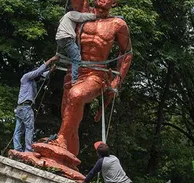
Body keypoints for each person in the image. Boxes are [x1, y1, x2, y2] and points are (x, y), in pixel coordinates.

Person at [51, 0, 133, 156]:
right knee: (69, 122)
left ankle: (60, 138)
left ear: (114, 3)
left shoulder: (118, 24)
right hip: (74, 72)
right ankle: (68, 159)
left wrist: (117, 81)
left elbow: (127, 53)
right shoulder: (83, 11)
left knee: (77, 95)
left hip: (96, 74)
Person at [13, 55, 58, 152]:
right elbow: (38, 72)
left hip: (21, 108)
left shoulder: (32, 81)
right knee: (29, 128)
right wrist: (50, 60)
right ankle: (28, 149)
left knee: (18, 130)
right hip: (26, 107)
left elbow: (42, 76)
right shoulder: (26, 77)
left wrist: (50, 71)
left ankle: (17, 148)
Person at [56, 11, 99, 84]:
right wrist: (95, 16)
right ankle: (74, 80)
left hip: (61, 39)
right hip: (66, 38)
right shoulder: (71, 14)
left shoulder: (64, 18)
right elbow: (82, 17)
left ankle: (73, 74)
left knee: (73, 57)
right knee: (76, 58)